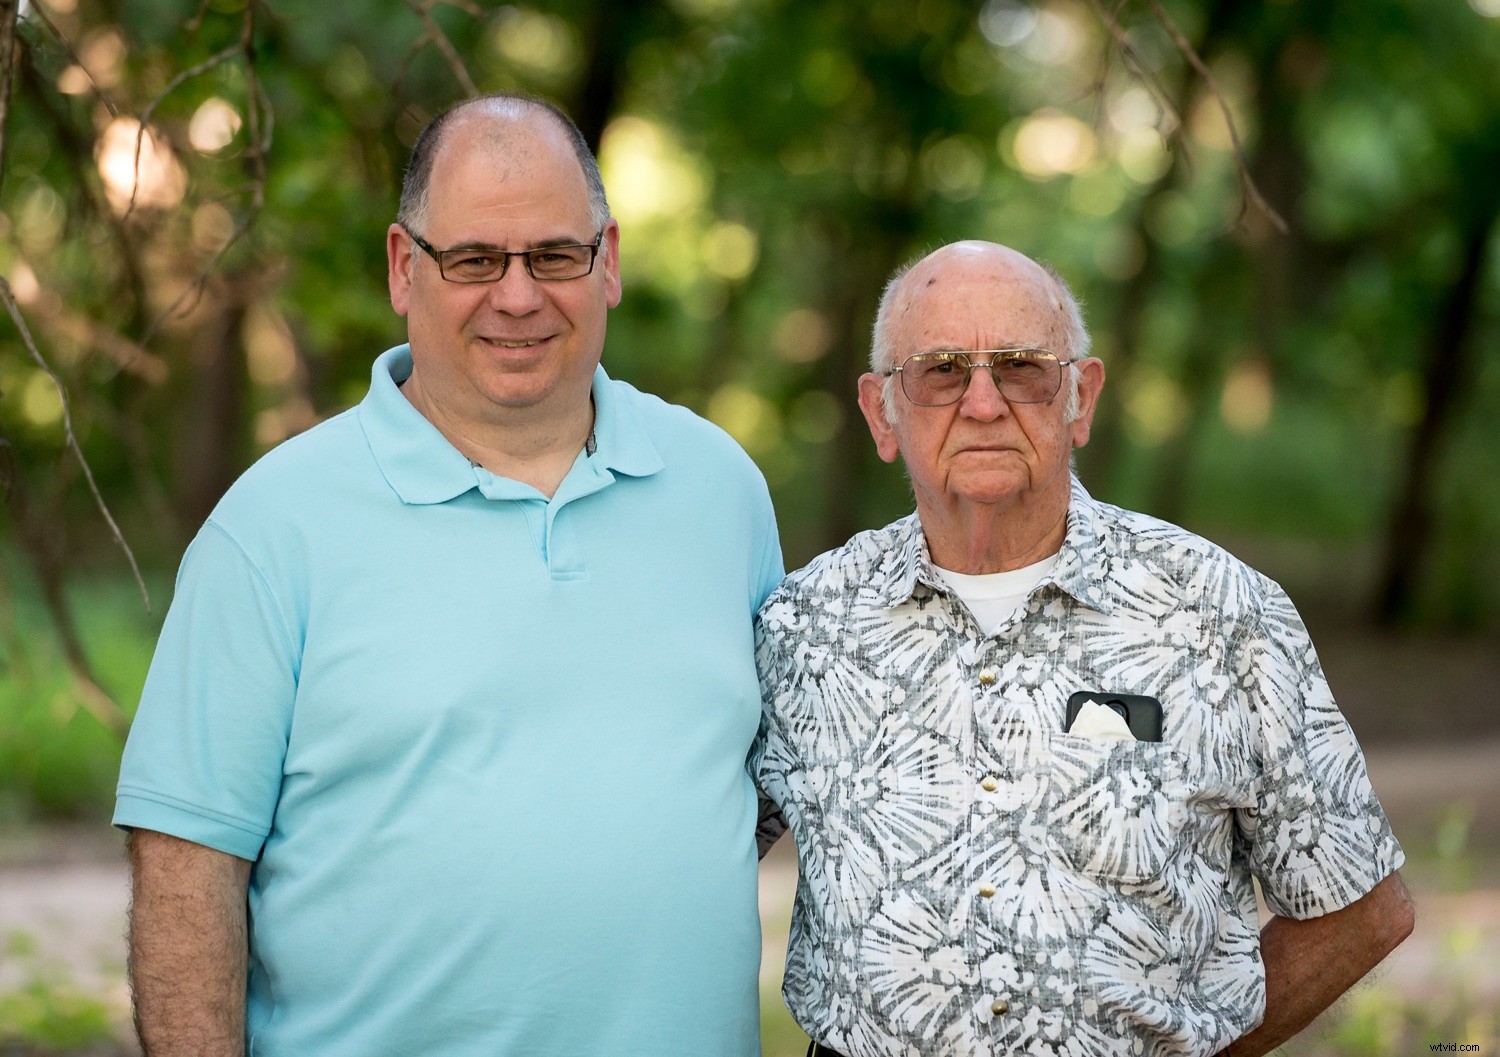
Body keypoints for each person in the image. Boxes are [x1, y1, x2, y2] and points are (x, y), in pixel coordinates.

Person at [115, 94, 782, 1057]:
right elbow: (186, 868)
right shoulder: (272, 526)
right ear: (401, 266)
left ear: (611, 262)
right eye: (473, 259)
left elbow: (749, 788)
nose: (518, 296)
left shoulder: (720, 489)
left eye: (555, 255)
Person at [753, 241, 1414, 1057]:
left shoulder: (1220, 611)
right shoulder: (800, 625)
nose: (985, 403)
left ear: (1081, 398)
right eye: (942, 370)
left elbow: (1364, 906)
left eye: (1024, 368)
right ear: (881, 412)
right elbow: (681, 850)